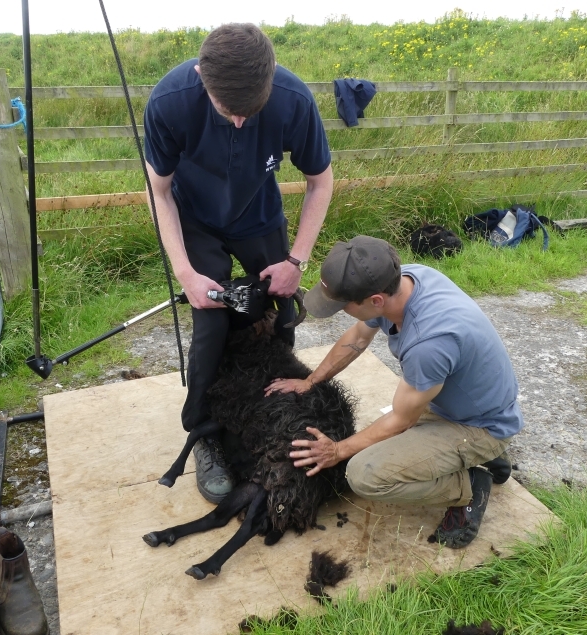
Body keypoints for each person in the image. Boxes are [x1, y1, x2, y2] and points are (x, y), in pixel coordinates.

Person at [143, 24, 333, 504]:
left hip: (258, 215)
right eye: (230, 111)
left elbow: (320, 181)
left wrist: (296, 260)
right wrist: (185, 272)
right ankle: (204, 431)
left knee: (282, 313)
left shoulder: (293, 100)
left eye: (253, 111)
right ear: (203, 79)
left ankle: (271, 410)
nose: (242, 123)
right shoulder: (170, 103)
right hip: (195, 218)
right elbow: (159, 192)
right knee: (211, 319)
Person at [265, 236, 522, 548]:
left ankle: (468, 484)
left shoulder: (429, 343)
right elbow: (358, 337)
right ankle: (474, 455)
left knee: (364, 474)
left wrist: (337, 451)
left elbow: (401, 420)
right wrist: (311, 380)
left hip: (480, 425)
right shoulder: (404, 280)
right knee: (377, 441)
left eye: (343, 306)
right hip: (461, 405)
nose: (341, 312)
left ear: (375, 301)